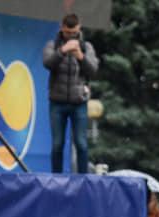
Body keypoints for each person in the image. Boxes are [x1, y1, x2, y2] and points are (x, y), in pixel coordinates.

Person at [43, 13, 98, 174]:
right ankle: (57, 177)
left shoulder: (86, 47)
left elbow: (93, 70)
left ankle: (83, 179)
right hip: (57, 102)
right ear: (62, 28)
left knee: (81, 143)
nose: (70, 36)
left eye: (73, 33)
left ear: (79, 29)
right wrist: (62, 51)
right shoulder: (52, 45)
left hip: (79, 102)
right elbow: (47, 63)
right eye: (67, 33)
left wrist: (80, 57)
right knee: (57, 144)